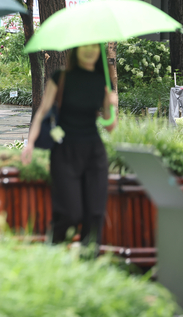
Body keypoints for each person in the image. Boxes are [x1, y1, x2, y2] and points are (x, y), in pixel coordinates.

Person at [21, 44, 118, 246]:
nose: (89, 50)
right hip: (65, 152)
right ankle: (53, 256)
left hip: (94, 153)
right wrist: (29, 143)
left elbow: (110, 126)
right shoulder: (61, 77)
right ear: (76, 50)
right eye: (85, 46)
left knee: (95, 214)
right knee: (70, 214)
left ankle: (88, 266)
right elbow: (42, 112)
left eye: (94, 46)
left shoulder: (102, 81)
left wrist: (111, 104)